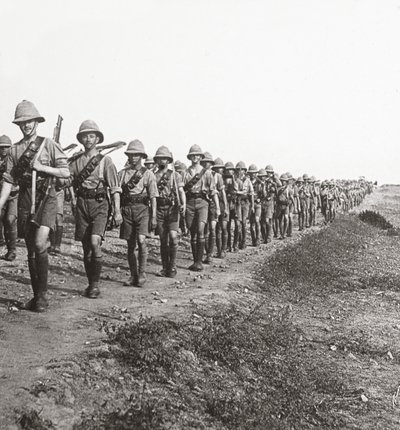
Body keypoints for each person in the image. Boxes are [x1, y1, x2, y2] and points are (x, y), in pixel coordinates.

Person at [0, 100, 70, 312]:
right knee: (31, 250)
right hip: (25, 199)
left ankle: (43, 294)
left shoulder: (48, 144)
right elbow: (9, 181)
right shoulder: (14, 150)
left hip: (47, 195)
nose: (26, 125)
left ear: (36, 122)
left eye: (29, 121)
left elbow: (65, 172)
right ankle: (37, 296)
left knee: (40, 243)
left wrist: (42, 168)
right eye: (22, 122)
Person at [69, 120, 122, 298]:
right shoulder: (76, 161)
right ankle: (91, 283)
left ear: (97, 139)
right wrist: (72, 197)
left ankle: (96, 284)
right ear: (81, 139)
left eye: (92, 136)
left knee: (94, 242)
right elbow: (67, 179)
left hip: (100, 204)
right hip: (82, 205)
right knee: (86, 247)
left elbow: (115, 188)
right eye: (85, 136)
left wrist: (117, 211)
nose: (88, 139)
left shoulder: (105, 161)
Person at [118, 140, 158, 286]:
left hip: (142, 210)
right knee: (130, 245)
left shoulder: (148, 174)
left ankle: (142, 273)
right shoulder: (121, 174)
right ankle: (133, 275)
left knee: (141, 241)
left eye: (137, 155)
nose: (133, 157)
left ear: (141, 156)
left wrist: (153, 217)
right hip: (127, 210)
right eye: (131, 155)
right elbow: (116, 192)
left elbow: (153, 197)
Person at [183, 144, 218, 271]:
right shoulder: (185, 173)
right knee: (192, 233)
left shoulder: (207, 173)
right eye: (193, 155)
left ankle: (199, 262)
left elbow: (213, 191)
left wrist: (217, 207)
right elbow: (182, 190)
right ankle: (195, 261)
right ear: (190, 157)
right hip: (189, 203)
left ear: (200, 157)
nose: (195, 157)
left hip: (203, 202)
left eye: (197, 155)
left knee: (200, 230)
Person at [153, 145, 186, 277]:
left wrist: (183, 203)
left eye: (164, 159)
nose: (162, 161)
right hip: (159, 209)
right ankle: (165, 267)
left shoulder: (175, 175)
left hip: (172, 209)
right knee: (163, 239)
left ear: (168, 160)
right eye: (160, 159)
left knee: (173, 237)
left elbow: (181, 191)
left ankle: (172, 266)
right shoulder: (153, 176)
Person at [201, 152, 224, 264]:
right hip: (203, 203)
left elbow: (220, 192)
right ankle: (206, 252)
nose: (207, 164)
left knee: (212, 228)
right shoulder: (199, 175)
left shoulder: (217, 176)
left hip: (214, 204)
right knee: (204, 230)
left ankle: (210, 254)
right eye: (205, 162)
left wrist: (221, 207)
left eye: (208, 162)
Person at [0, 135, 18, 261]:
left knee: (10, 220)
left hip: (13, 196)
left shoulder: (15, 162)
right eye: (1, 147)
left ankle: (12, 250)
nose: (4, 150)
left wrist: (17, 188)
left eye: (6, 147)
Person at [234, 161, 254, 250]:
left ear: (245, 171)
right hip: (237, 203)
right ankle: (237, 243)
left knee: (244, 223)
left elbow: (251, 193)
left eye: (242, 170)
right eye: (238, 169)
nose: (240, 171)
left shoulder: (248, 180)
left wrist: (252, 205)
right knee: (238, 223)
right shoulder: (234, 179)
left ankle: (243, 242)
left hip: (245, 203)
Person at [212, 157, 229, 258]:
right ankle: (219, 250)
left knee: (223, 227)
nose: (219, 169)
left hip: (223, 204)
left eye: (221, 168)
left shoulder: (227, 178)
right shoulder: (213, 176)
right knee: (217, 229)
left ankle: (224, 249)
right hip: (215, 204)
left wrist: (226, 207)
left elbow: (224, 194)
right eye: (217, 168)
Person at [248, 164, 263, 247]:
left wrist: (259, 199)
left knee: (257, 220)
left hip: (257, 204)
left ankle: (257, 239)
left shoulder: (259, 182)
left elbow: (263, 194)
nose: (252, 174)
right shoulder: (247, 181)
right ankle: (253, 239)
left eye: (254, 173)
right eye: (251, 173)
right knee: (252, 223)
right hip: (250, 204)